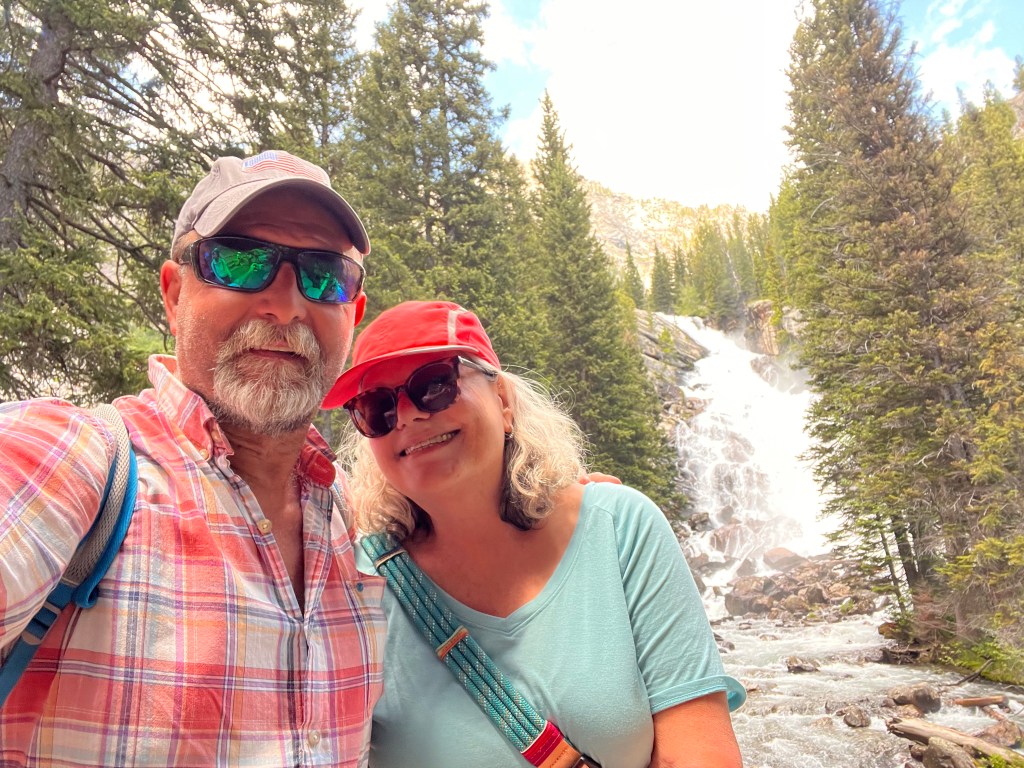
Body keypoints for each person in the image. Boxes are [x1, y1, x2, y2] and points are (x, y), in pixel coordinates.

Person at [0, 150, 386, 766]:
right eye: (239, 261)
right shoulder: (78, 459)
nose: (286, 306)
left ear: (353, 314)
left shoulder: (352, 524)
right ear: (175, 294)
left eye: (325, 275)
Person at [329, 300, 747, 768]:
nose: (406, 415)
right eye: (377, 407)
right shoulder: (352, 587)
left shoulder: (619, 528)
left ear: (503, 400)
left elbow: (699, 754)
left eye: (433, 384)